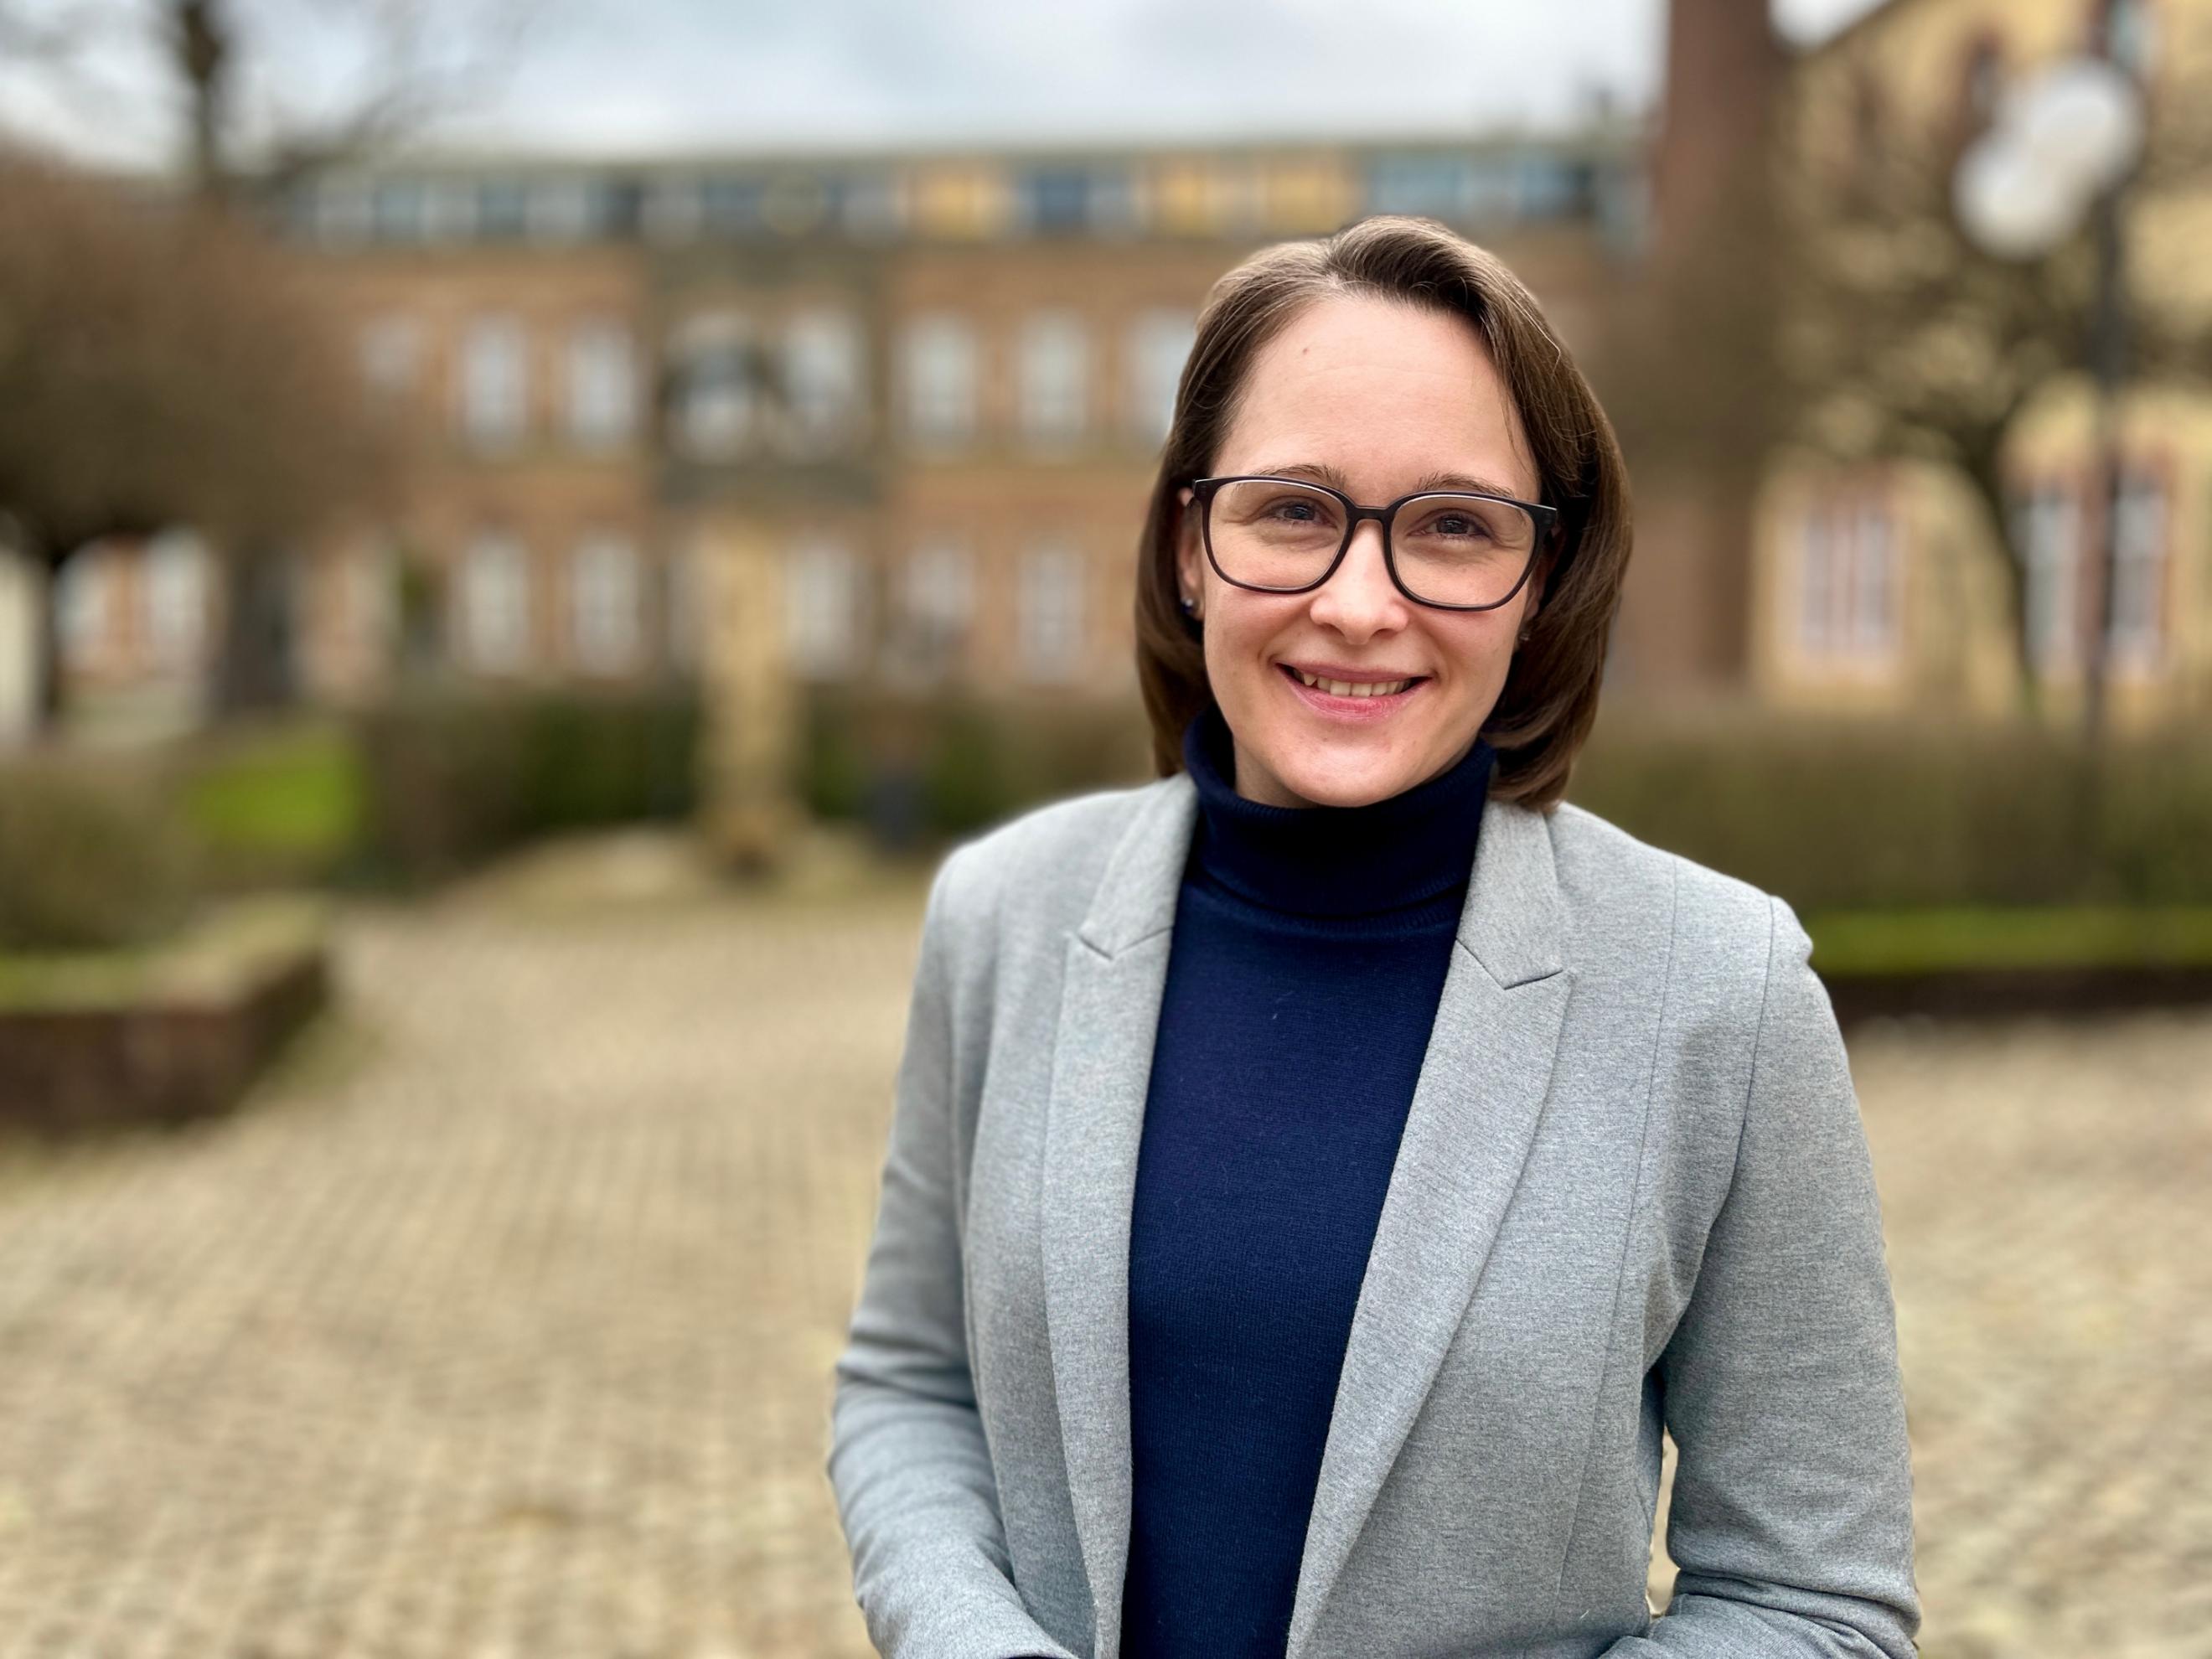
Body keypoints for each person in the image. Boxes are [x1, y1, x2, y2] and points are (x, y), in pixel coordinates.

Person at [826, 215, 1920, 1659]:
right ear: (1189, 546)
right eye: (1292, 509)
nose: (1359, 603)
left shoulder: (1721, 992)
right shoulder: (1004, 915)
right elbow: (912, 1384)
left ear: (1542, 587)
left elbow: (1813, 1598)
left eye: (1455, 526)